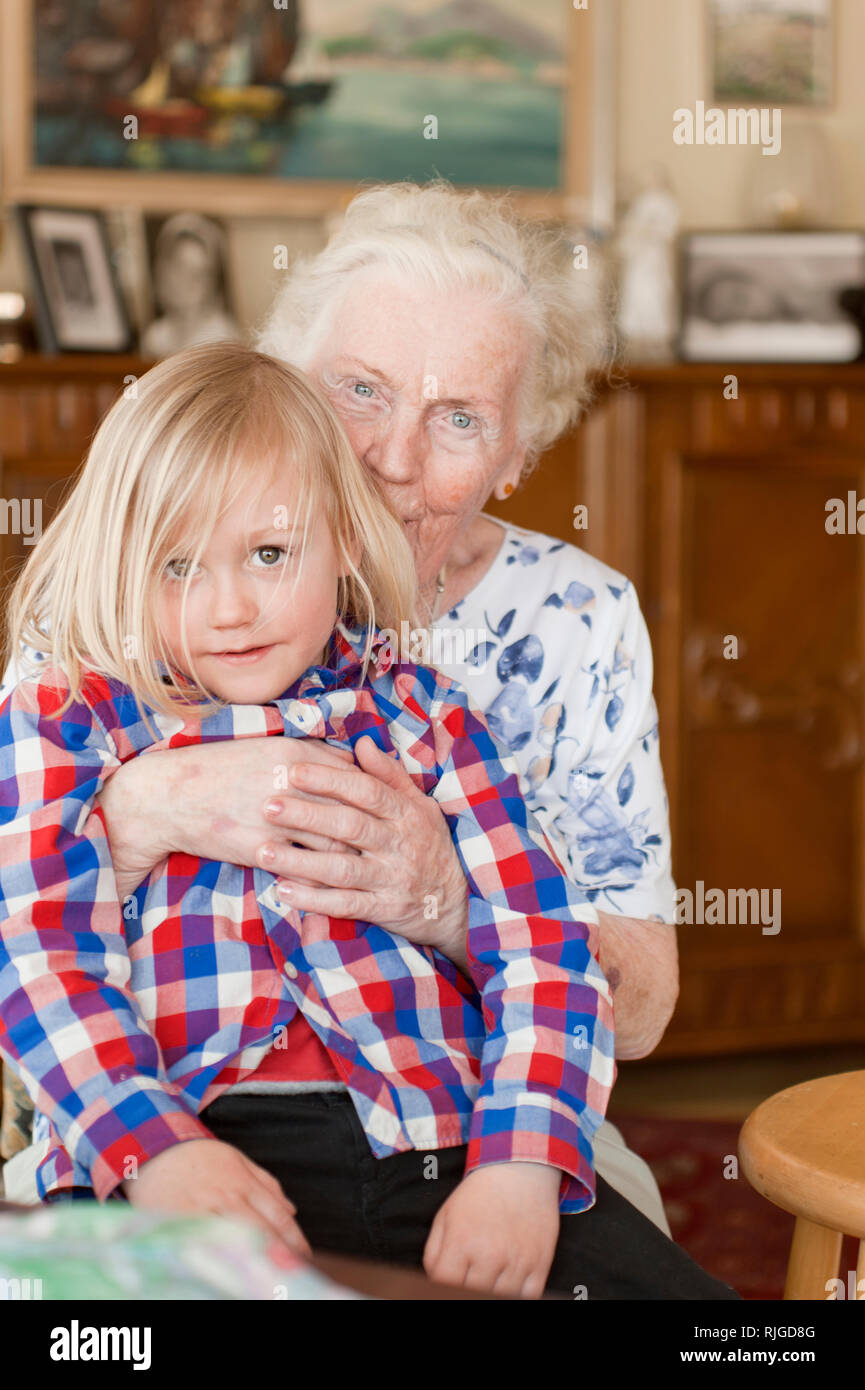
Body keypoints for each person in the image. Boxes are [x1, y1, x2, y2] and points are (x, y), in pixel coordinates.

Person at [0, 183, 732, 1296]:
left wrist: (448, 905)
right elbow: (31, 935)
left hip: (458, 1117)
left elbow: (612, 990)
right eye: (359, 391)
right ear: (291, 391)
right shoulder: (88, 658)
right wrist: (138, 815)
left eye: (459, 417)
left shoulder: (474, 674)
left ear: (517, 450)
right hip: (178, 1120)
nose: (391, 457)